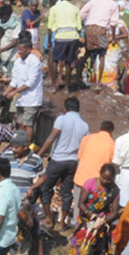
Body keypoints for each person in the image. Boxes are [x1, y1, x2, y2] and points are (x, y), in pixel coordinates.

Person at [61, 164, 120, 255]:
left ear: (114, 178)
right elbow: (80, 203)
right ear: (100, 174)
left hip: (100, 226)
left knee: (94, 254)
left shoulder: (114, 191)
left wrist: (103, 221)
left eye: (109, 179)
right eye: (103, 178)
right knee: (76, 251)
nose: (105, 181)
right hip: (85, 222)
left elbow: (115, 212)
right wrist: (91, 215)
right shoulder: (90, 183)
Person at [36, 96, 89, 229]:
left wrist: (39, 155)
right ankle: (62, 223)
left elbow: (51, 137)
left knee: (45, 188)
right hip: (73, 162)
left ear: (64, 109)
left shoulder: (62, 119)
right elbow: (84, 146)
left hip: (58, 160)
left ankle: (48, 219)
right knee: (66, 192)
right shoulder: (85, 125)